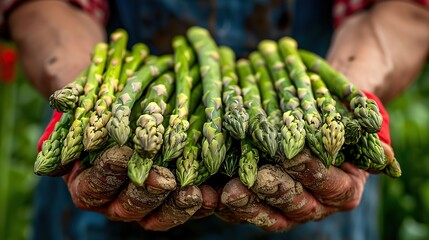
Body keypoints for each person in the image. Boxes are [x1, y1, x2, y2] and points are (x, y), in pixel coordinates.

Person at [2, 0, 429, 239]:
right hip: (102, 204)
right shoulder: (106, 120)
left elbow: (399, 9)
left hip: (308, 159)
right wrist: (83, 100)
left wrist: (350, 94)